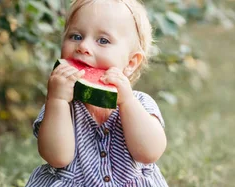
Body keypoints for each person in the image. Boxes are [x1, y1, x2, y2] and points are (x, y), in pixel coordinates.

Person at [25, 0, 168, 186]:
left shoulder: (141, 102)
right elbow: (56, 157)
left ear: (131, 63)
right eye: (75, 36)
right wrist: (58, 100)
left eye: (103, 40)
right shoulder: (59, 106)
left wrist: (127, 103)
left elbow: (149, 153)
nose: (83, 46)